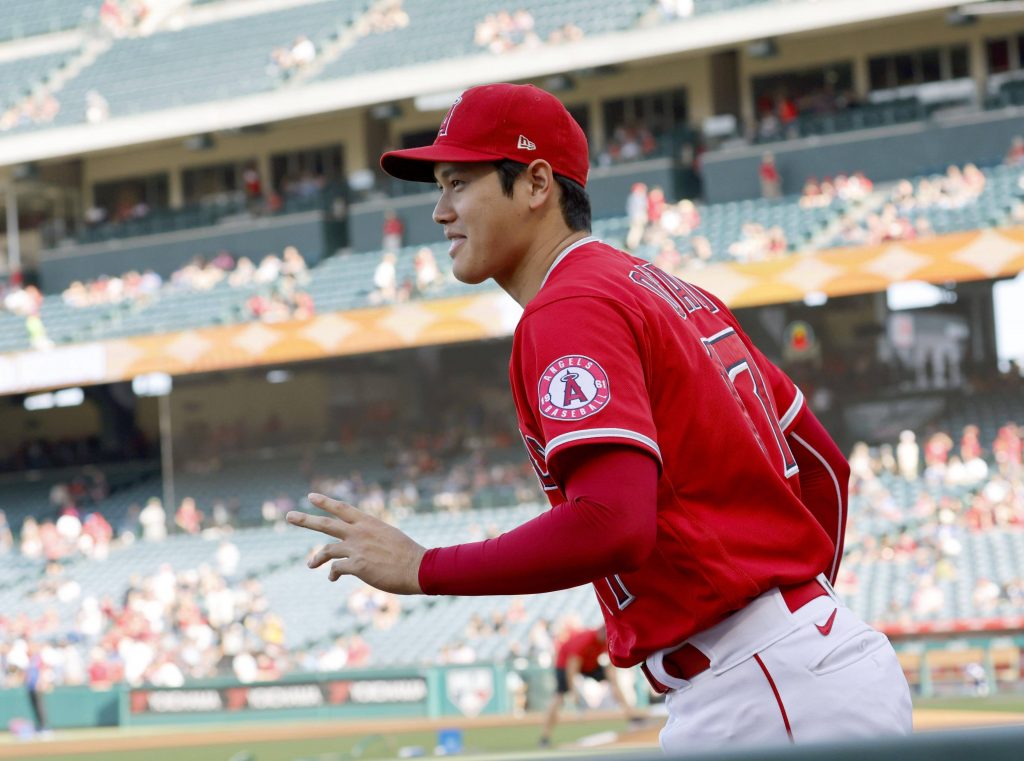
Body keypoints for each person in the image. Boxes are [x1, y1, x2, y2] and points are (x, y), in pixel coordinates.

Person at [287, 83, 912, 752]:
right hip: (794, 663)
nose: (439, 212)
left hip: (762, 682)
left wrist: (424, 566)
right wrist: (793, 613)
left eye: (457, 183)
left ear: (534, 184)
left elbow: (613, 523)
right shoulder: (673, 292)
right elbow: (824, 471)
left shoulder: (570, 305)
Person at [538, 624, 641, 747]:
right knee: (559, 696)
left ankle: (631, 715)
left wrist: (613, 681)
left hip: (588, 664)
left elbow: (610, 665)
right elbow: (572, 666)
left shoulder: (607, 640)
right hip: (565, 664)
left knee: (615, 682)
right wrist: (573, 692)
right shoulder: (587, 639)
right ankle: (545, 736)